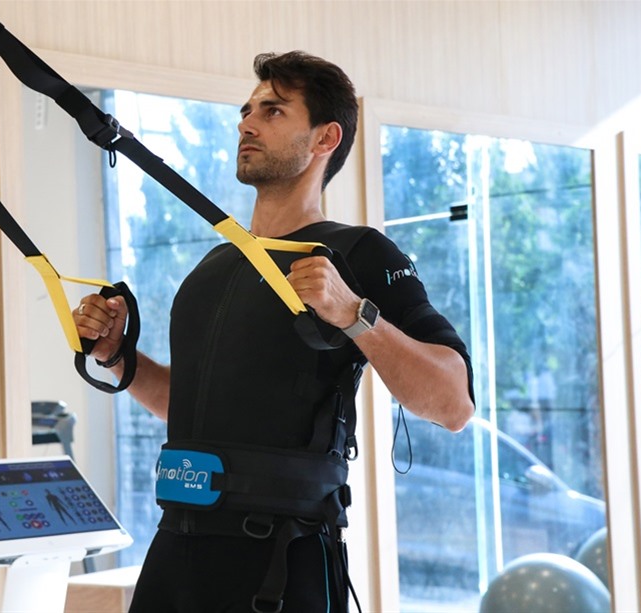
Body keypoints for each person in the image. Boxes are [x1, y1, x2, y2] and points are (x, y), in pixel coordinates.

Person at [73, 51, 475, 613]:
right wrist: (119, 356)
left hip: (283, 560)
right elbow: (184, 405)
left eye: (274, 111)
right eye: (247, 110)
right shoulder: (213, 268)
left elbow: (454, 404)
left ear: (325, 138)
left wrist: (355, 314)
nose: (247, 123)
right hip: (176, 552)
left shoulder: (359, 253)